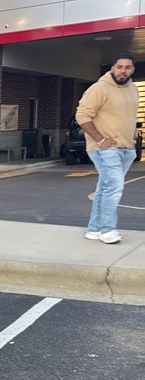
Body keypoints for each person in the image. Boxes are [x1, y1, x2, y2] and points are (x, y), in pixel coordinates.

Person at [75, 54, 139, 244]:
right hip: (104, 148)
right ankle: (107, 229)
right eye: (119, 67)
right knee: (114, 187)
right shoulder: (99, 88)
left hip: (126, 148)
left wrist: (133, 140)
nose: (123, 71)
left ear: (132, 70)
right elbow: (82, 115)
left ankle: (94, 229)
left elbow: (129, 117)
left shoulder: (133, 89)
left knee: (104, 188)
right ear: (113, 68)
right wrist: (100, 139)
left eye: (127, 67)